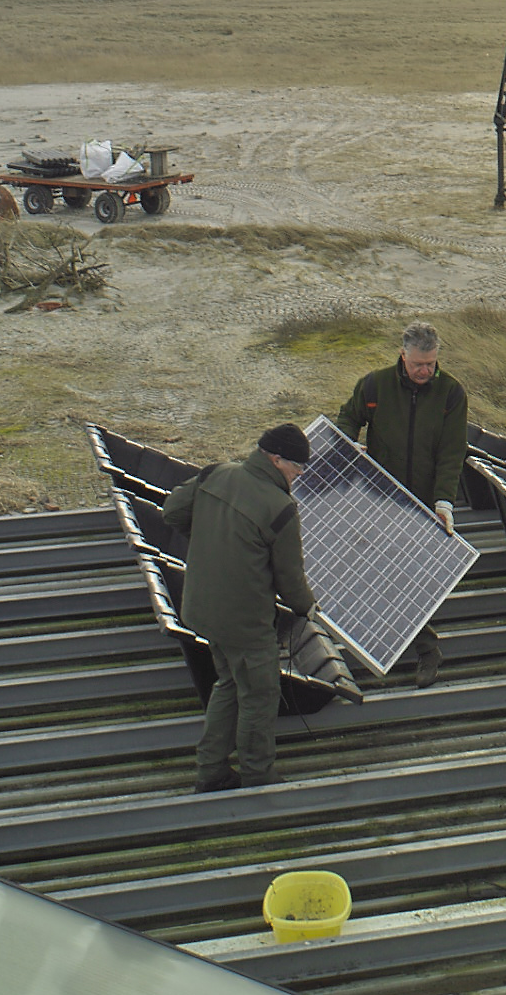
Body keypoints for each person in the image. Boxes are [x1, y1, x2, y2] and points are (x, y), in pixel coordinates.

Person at [158, 423, 317, 792]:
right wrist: (307, 608)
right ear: (275, 460)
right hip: (245, 621)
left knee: (229, 683)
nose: (299, 474)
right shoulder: (280, 508)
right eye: (297, 467)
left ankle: (211, 770)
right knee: (260, 695)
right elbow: (289, 578)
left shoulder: (216, 474)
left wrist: (212, 541)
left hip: (203, 609)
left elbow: (172, 512)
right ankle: (258, 775)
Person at [338, 321, 469, 686]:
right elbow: (348, 418)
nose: (425, 371)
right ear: (403, 355)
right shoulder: (374, 385)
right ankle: (401, 646)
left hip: (423, 503)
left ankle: (426, 651)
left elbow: (451, 453)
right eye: (418, 364)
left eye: (431, 363)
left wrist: (444, 502)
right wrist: (347, 447)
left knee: (412, 579)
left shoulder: (451, 394)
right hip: (378, 497)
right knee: (380, 572)